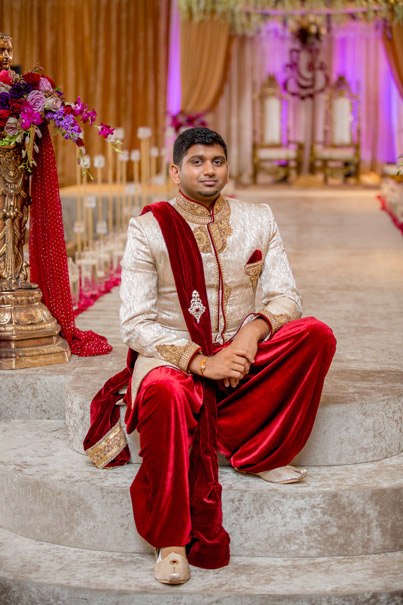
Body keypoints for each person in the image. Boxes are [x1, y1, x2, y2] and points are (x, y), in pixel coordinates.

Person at [84, 127, 336, 585]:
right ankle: (171, 539)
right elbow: (136, 323)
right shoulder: (149, 229)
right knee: (164, 390)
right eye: (197, 162)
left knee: (315, 336)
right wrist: (202, 363)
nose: (208, 170)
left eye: (216, 161)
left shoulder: (257, 218)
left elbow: (286, 297)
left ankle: (261, 451)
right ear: (176, 171)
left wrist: (251, 335)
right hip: (176, 358)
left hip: (240, 355)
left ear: (226, 166)